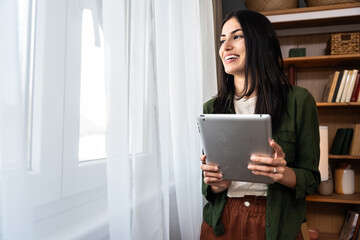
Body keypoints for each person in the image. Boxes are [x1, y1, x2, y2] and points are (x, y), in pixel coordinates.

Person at [200, 10, 320, 240]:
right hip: (222, 222)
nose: (225, 47)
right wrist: (216, 184)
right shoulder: (211, 108)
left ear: (260, 41)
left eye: (236, 37)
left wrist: (282, 173)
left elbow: (311, 178)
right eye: (222, 40)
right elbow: (209, 186)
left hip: (274, 222)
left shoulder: (299, 100)